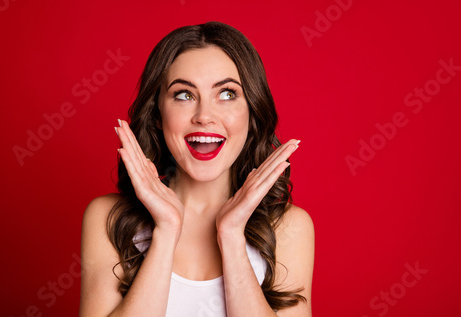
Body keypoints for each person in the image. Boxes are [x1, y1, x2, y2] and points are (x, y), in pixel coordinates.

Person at [79, 21, 314, 317]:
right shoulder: (109, 218)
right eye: (184, 95)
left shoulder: (289, 228)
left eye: (227, 94)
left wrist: (231, 235)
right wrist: (166, 230)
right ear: (157, 114)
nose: (204, 116)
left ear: (252, 112)